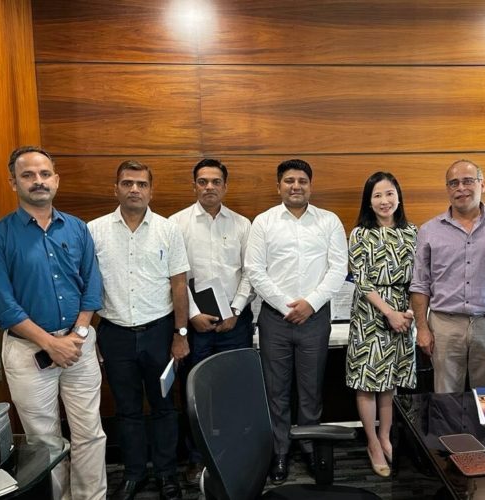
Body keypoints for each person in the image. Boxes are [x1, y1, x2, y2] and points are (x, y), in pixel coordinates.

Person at [0, 146, 107, 500]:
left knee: (90, 432)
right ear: (13, 183)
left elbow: (92, 286)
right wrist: (51, 343)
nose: (38, 181)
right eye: (28, 175)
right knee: (43, 440)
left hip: (79, 345)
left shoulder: (78, 229)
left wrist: (77, 335)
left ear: (56, 180)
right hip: (29, 351)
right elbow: (2, 305)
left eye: (44, 174)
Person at [88, 160, 190, 500]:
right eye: (128, 183)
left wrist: (180, 334)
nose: (134, 189)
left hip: (159, 333)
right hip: (114, 333)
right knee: (127, 409)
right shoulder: (94, 230)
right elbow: (85, 285)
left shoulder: (167, 229)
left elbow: (179, 285)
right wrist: (91, 334)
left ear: (151, 189)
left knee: (164, 407)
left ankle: (166, 474)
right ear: (115, 188)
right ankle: (133, 473)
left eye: (141, 184)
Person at [244, 159, 347, 484]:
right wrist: (287, 305)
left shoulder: (328, 222)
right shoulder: (263, 222)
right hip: (275, 319)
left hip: (315, 319)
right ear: (279, 186)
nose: (296, 186)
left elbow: (338, 268)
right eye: (289, 180)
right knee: (276, 391)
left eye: (302, 180)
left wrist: (310, 304)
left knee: (311, 389)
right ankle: (280, 452)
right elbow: (254, 270)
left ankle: (309, 447)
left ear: (310, 186)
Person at [169, 158, 255, 484]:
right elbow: (176, 276)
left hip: (237, 322)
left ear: (225, 186)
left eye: (215, 181)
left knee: (233, 389)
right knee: (197, 392)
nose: (209, 187)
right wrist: (192, 314)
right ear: (194, 186)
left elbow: (250, 273)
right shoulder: (176, 224)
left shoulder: (243, 225)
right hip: (196, 325)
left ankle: (233, 454)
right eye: (202, 181)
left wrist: (235, 308)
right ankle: (197, 459)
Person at [410, 160, 485, 393]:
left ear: (482, 185)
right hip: (444, 326)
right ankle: (449, 432)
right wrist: (422, 329)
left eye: (468, 181)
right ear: (447, 189)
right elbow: (420, 284)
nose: (460, 188)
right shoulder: (429, 230)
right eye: (454, 183)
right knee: (446, 398)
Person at [346, 171, 417, 477]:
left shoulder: (413, 232)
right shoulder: (360, 233)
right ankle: (372, 442)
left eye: (389, 194)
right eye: (377, 195)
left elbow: (421, 279)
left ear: (398, 197)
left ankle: (386, 436)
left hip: (404, 314)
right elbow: (361, 282)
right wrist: (389, 312)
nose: (384, 201)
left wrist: (411, 313)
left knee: (389, 382)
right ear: (369, 201)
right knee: (367, 381)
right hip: (370, 315)